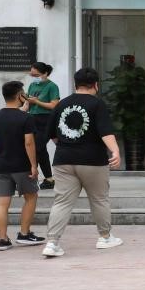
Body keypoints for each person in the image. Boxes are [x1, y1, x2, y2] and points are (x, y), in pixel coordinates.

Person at [42, 67, 122, 258]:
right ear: (96, 85)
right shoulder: (97, 104)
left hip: (63, 159)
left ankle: (52, 243)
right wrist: (115, 150)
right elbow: (105, 131)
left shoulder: (61, 104)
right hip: (93, 160)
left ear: (75, 84)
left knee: (62, 202)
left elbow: (51, 133)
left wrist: (66, 145)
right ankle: (105, 237)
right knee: (99, 199)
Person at [0, 81, 44, 251]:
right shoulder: (26, 118)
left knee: (2, 203)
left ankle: (3, 240)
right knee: (31, 197)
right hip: (22, 166)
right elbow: (29, 143)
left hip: (0, 166)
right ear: (19, 96)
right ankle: (24, 234)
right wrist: (34, 165)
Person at [24, 62, 60, 190]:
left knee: (37, 148)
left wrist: (37, 101)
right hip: (32, 118)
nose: (34, 78)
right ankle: (49, 179)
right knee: (40, 149)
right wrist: (24, 104)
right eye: (32, 75)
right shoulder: (32, 85)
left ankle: (29, 177)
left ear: (45, 73)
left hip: (46, 119)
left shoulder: (52, 86)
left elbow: (54, 105)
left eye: (36, 75)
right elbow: (28, 104)